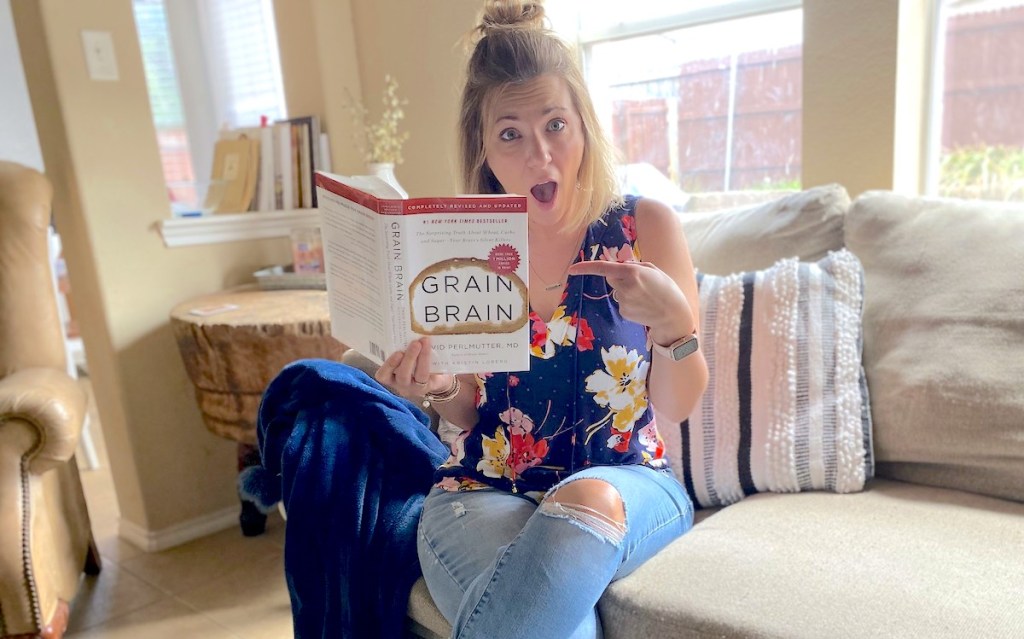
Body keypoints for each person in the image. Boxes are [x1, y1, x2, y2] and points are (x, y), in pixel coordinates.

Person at [371, 1, 709, 637]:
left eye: (555, 124)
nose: (540, 155)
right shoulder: (466, 245)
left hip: (625, 487)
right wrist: (440, 388)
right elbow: (471, 409)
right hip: (483, 491)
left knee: (582, 502)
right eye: (510, 134)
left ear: (583, 125)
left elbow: (678, 404)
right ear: (482, 145)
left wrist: (675, 330)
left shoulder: (644, 227)